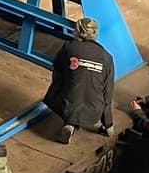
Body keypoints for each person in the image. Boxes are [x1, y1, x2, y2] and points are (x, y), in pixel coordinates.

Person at [44, 16, 115, 144]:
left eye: (75, 29)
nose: (73, 31)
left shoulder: (69, 47)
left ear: (80, 32)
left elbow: (57, 66)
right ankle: (74, 124)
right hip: (94, 112)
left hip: (66, 105)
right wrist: (108, 123)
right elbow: (107, 91)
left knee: (67, 79)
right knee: (91, 86)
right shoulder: (107, 57)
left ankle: (70, 123)